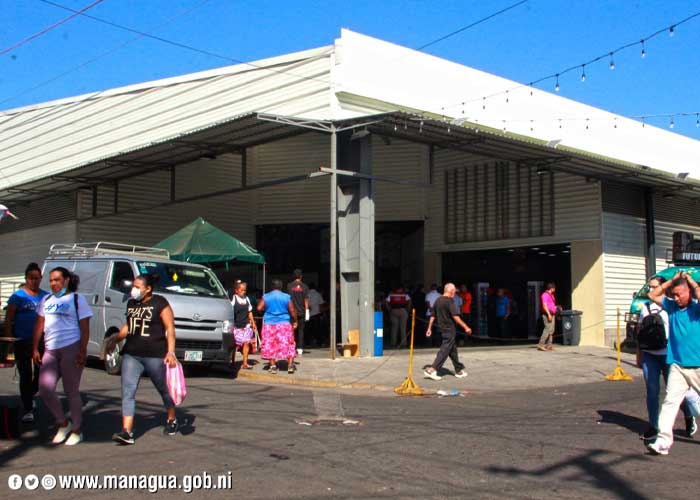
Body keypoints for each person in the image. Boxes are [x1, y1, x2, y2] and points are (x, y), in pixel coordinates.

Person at [106, 274, 178, 445]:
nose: (134, 289)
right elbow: (128, 327)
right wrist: (114, 340)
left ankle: (172, 418)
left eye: (138, 286)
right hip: (132, 353)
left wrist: (171, 352)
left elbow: (170, 328)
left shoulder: (160, 303)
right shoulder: (132, 303)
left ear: (148, 289)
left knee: (164, 390)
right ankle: (127, 432)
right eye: (134, 285)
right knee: (128, 391)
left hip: (155, 354)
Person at [32, 267, 92, 446]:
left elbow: (85, 327)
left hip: (71, 347)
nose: (53, 284)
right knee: (45, 389)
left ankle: (77, 430)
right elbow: (40, 324)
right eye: (51, 280)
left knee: (71, 391)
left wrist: (82, 350)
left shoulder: (76, 299)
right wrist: (35, 348)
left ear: (66, 280)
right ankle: (63, 423)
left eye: (57, 280)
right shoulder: (46, 299)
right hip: (51, 349)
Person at [646, 271, 700, 455]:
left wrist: (691, 281)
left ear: (689, 293)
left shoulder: (696, 308)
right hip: (677, 365)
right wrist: (671, 281)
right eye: (674, 295)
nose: (676, 298)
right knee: (670, 403)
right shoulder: (672, 307)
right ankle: (662, 442)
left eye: (680, 294)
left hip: (697, 365)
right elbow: (652, 295)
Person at [636, 276, 695, 442]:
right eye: (649, 287)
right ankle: (654, 426)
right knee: (652, 392)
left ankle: (689, 415)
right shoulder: (645, 307)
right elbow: (640, 332)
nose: (651, 290)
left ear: (663, 287)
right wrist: (639, 354)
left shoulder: (671, 305)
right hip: (650, 355)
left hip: (668, 357)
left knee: (675, 393)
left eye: (654, 286)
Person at [3, 263, 49, 423]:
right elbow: (9, 318)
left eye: (37, 278)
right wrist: (9, 339)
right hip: (22, 340)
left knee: (41, 373)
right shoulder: (18, 296)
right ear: (26, 279)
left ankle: (30, 395)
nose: (34, 281)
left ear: (41, 279)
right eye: (31, 278)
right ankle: (28, 408)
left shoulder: (46, 296)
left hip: (41, 341)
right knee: (25, 374)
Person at [424, 283, 472, 380]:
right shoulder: (450, 301)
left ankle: (458, 370)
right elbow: (455, 317)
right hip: (450, 329)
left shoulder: (438, 300)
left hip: (442, 328)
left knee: (452, 349)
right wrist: (466, 327)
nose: (455, 293)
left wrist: (429, 328)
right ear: (451, 291)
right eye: (454, 291)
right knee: (445, 349)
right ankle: (432, 369)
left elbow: (432, 315)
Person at [258, 279, 297, 374]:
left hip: (269, 324)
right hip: (284, 324)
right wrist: (295, 321)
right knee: (289, 343)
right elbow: (292, 310)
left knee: (270, 344)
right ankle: (290, 365)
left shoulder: (266, 296)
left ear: (272, 287)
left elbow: (259, 308)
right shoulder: (286, 297)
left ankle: (273, 366)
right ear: (281, 287)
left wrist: (267, 310)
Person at [230, 281, 257, 370]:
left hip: (246, 325)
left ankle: (245, 363)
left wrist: (253, 322)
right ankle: (232, 362)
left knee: (246, 343)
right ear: (236, 290)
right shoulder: (233, 299)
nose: (243, 292)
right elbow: (229, 311)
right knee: (234, 345)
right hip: (236, 326)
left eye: (244, 290)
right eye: (241, 290)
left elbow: (250, 312)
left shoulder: (247, 299)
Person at [287, 269, 309, 355]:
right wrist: (307, 311)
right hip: (301, 312)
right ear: (301, 276)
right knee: (301, 330)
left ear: (293, 276)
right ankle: (300, 348)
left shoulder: (289, 286)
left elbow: (288, 299)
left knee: (291, 329)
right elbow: (306, 300)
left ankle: (291, 346)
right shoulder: (305, 286)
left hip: (291, 312)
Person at [538, 282, 558, 351]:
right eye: (554, 288)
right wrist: (549, 314)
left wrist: (556, 309)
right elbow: (544, 305)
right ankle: (541, 344)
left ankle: (549, 345)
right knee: (547, 329)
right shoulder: (545, 295)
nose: (555, 289)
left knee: (551, 330)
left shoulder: (551, 295)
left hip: (552, 314)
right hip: (547, 314)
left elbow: (551, 304)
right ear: (551, 288)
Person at [307, 283, 326, 347]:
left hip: (308, 315)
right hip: (316, 314)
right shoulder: (318, 294)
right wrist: (322, 314)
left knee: (309, 330)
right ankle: (319, 343)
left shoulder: (306, 294)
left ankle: (308, 343)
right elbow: (321, 305)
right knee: (317, 330)